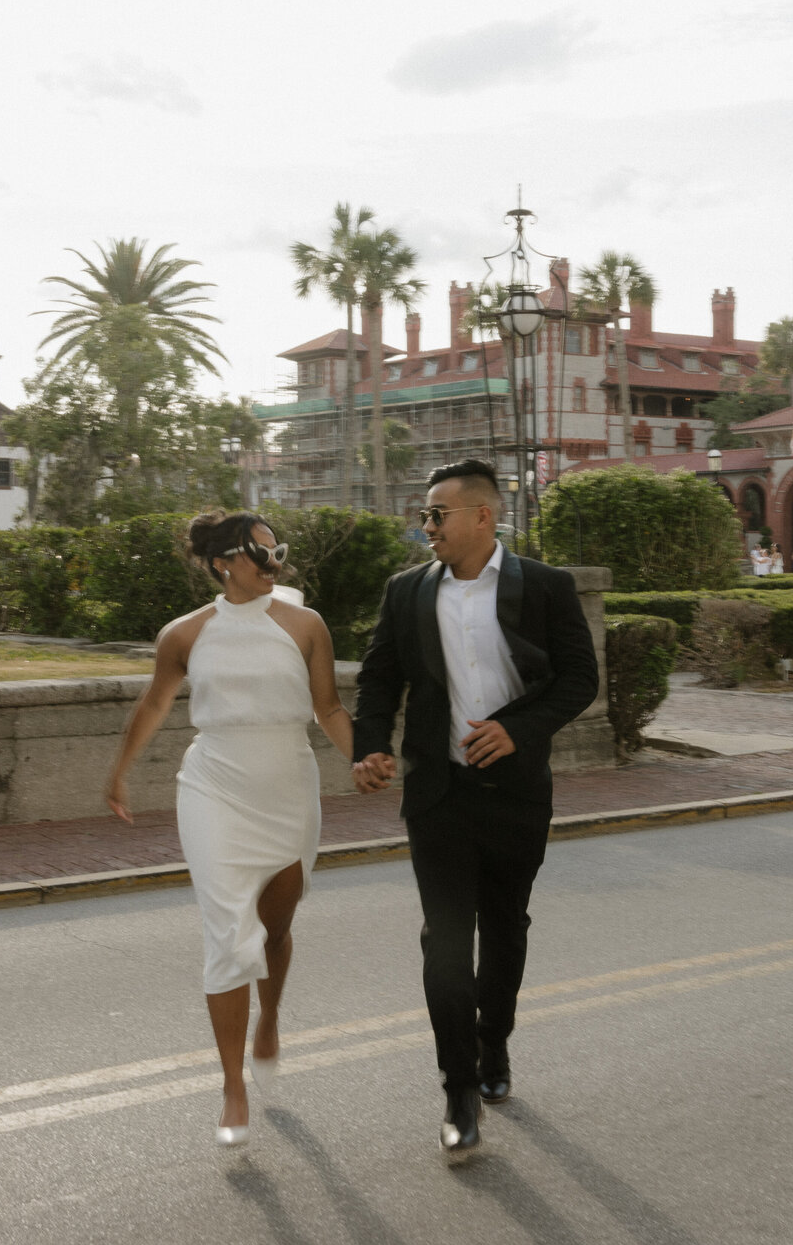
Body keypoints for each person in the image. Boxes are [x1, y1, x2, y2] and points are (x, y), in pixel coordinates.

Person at [352, 459, 599, 1161]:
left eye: (438, 514)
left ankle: (495, 1045)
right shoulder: (406, 593)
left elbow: (580, 678)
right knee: (445, 940)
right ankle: (458, 1090)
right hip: (438, 794)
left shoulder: (543, 587)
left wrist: (518, 728)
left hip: (515, 792)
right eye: (424, 515)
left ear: (483, 517)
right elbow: (379, 678)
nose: (425, 526)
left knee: (505, 927)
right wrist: (370, 747)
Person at [105, 511, 353, 1148]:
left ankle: (269, 1015)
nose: (276, 565)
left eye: (279, 553)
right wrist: (120, 772)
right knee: (227, 935)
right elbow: (156, 701)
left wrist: (365, 757)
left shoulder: (305, 626)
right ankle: (231, 1084)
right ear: (222, 562)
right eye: (261, 554)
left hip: (288, 788)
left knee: (275, 928)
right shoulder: (185, 635)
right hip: (213, 787)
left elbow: (327, 707)